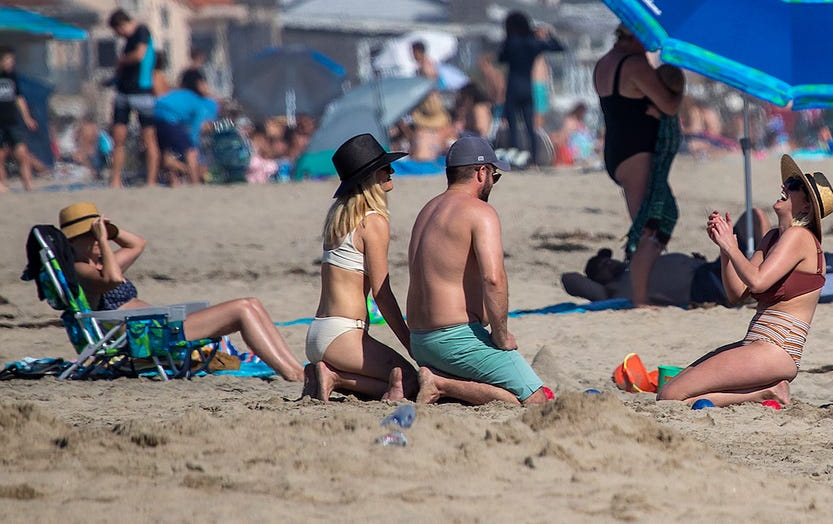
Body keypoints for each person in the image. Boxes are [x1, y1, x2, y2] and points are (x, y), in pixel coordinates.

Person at [657, 156, 833, 408]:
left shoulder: (800, 237)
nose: (785, 185)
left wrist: (733, 247)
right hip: (757, 343)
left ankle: (766, 392)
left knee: (670, 396)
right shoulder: (773, 237)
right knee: (671, 391)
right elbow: (736, 293)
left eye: (794, 184)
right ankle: (769, 390)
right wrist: (724, 248)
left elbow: (759, 282)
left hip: (777, 346)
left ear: (806, 206)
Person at [59, 201, 305, 382]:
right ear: (70, 241)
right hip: (145, 336)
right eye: (87, 235)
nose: (94, 239)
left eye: (95, 233)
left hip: (157, 325)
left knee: (251, 303)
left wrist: (111, 230)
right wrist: (103, 240)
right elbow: (112, 278)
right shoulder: (80, 270)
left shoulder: (100, 265)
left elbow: (138, 244)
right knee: (241, 309)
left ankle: (297, 370)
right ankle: (292, 374)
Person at [406, 136, 550, 405]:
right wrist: (500, 334)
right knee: (536, 399)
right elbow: (493, 279)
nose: (493, 182)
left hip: (420, 342)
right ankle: (440, 384)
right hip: (454, 340)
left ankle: (438, 379)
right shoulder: (480, 212)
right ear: (481, 172)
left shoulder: (427, 210)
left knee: (504, 395)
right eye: (495, 175)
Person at [304, 134, 420, 402]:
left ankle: (328, 373)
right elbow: (382, 292)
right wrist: (409, 342)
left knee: (391, 378)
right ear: (370, 178)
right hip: (344, 333)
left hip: (319, 330)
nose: (391, 171)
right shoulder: (373, 222)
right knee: (409, 381)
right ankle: (335, 377)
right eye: (384, 168)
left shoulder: (338, 217)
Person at [593, 25, 682, 306]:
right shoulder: (633, 65)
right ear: (635, 36)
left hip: (617, 152)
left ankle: (647, 286)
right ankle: (640, 299)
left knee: (653, 219)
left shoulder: (604, 63)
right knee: (650, 228)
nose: (650, 48)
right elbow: (668, 104)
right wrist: (679, 89)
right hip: (636, 155)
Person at [563, 209, 771, 307]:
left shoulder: (637, 265)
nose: (608, 262)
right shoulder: (614, 290)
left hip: (708, 269)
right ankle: (763, 284)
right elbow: (569, 279)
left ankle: (764, 276)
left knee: (754, 216)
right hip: (704, 286)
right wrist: (596, 283)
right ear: (598, 280)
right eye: (602, 267)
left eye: (606, 259)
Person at [626, 63, 684, 267]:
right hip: (668, 148)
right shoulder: (672, 107)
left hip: (661, 149)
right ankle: (652, 244)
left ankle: (638, 246)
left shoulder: (661, 107)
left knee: (656, 193)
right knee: (659, 194)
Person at [498, 11, 563, 166]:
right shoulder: (532, 42)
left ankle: (515, 160)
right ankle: (534, 161)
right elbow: (559, 48)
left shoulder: (511, 42)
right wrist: (546, 35)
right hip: (528, 88)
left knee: (513, 127)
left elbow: (501, 58)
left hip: (513, 86)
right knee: (530, 127)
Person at [106, 9, 160, 188]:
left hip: (142, 92)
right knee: (118, 137)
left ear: (120, 25)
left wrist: (121, 61)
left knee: (149, 138)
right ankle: (115, 180)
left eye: (117, 31)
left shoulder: (142, 31)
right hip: (124, 92)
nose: (118, 35)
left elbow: (139, 55)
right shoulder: (127, 41)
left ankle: (151, 182)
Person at [153, 70, 218, 185]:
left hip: (154, 115)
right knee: (191, 153)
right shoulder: (197, 101)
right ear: (198, 83)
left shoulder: (179, 94)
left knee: (164, 154)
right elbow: (195, 129)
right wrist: (193, 145)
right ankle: (195, 182)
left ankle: (169, 181)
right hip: (169, 117)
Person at [0, 46, 39, 192]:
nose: (12, 63)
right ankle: (2, 184)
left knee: (22, 153)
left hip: (12, 120)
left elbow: (19, 98)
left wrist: (28, 118)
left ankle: (28, 184)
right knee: (1, 156)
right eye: (9, 60)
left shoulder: (12, 77)